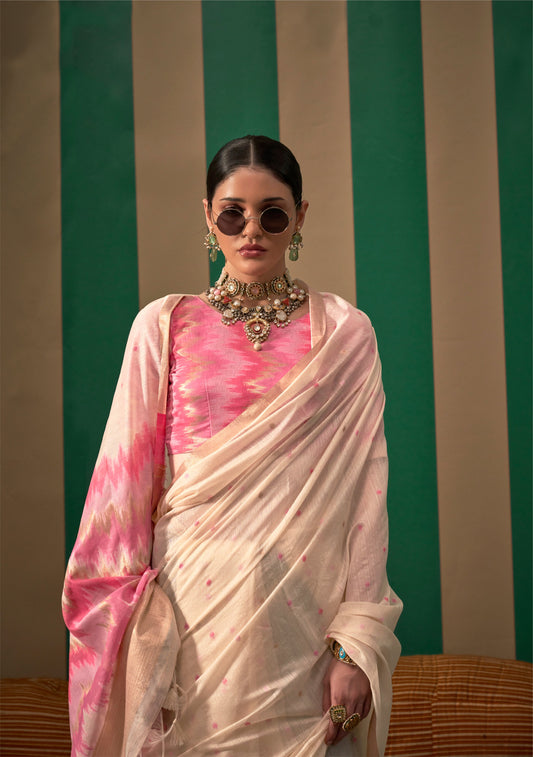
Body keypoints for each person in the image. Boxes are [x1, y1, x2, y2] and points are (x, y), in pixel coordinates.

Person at [62, 135, 402, 757]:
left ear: (300, 217)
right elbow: (122, 494)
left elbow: (366, 498)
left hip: (304, 622)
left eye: (272, 214)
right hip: (188, 620)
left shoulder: (344, 334)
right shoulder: (164, 326)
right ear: (207, 216)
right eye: (232, 214)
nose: (251, 231)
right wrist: (127, 628)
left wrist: (355, 642)